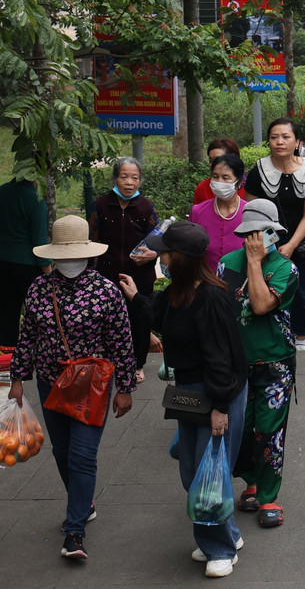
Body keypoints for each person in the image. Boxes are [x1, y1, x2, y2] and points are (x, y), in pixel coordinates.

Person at [8, 215, 136, 560]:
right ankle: (85, 501)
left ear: (88, 253)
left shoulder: (106, 291)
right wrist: (16, 380)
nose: (68, 261)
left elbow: (121, 343)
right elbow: (27, 336)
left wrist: (124, 389)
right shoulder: (38, 288)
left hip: (92, 387)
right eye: (62, 256)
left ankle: (74, 530)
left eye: (74, 254)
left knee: (82, 455)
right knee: (62, 453)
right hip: (51, 383)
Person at [145, 222, 248, 577]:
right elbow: (157, 316)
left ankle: (219, 549)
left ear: (182, 258)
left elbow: (221, 358)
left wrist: (221, 408)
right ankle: (228, 535)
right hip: (190, 393)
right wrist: (132, 296)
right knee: (194, 471)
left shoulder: (211, 297)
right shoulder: (178, 291)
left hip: (217, 393)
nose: (162, 257)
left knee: (209, 475)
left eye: (166, 252)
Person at [219, 199, 299, 528]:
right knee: (240, 429)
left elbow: (263, 304)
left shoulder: (284, 269)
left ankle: (269, 496)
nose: (256, 240)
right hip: (237, 362)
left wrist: (254, 264)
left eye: (262, 233)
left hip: (275, 362)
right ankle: (249, 482)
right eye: (250, 234)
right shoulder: (226, 265)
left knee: (269, 431)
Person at [243, 121, 305, 350]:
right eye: (274, 137)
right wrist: (272, 243)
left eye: (285, 137)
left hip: (303, 242)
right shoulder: (259, 170)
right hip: (268, 242)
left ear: (297, 142)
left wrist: (291, 246)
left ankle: (300, 339)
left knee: (304, 291)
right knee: (269, 288)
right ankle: (274, 335)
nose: (279, 142)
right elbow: (253, 211)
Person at [89, 156, 158, 380]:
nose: (129, 182)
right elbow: (91, 239)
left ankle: (138, 365)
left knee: (139, 320)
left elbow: (158, 242)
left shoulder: (146, 207)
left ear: (140, 181)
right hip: (107, 276)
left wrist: (152, 254)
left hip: (139, 277)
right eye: (124, 176)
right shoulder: (100, 205)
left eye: (135, 178)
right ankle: (109, 362)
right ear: (115, 178)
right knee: (108, 321)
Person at [0, 177, 49, 347]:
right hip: (28, 266)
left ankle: (6, 356)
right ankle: (32, 355)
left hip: (3, 262)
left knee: (7, 314)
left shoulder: (3, 191)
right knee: (35, 315)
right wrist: (49, 272)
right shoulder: (35, 199)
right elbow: (40, 241)